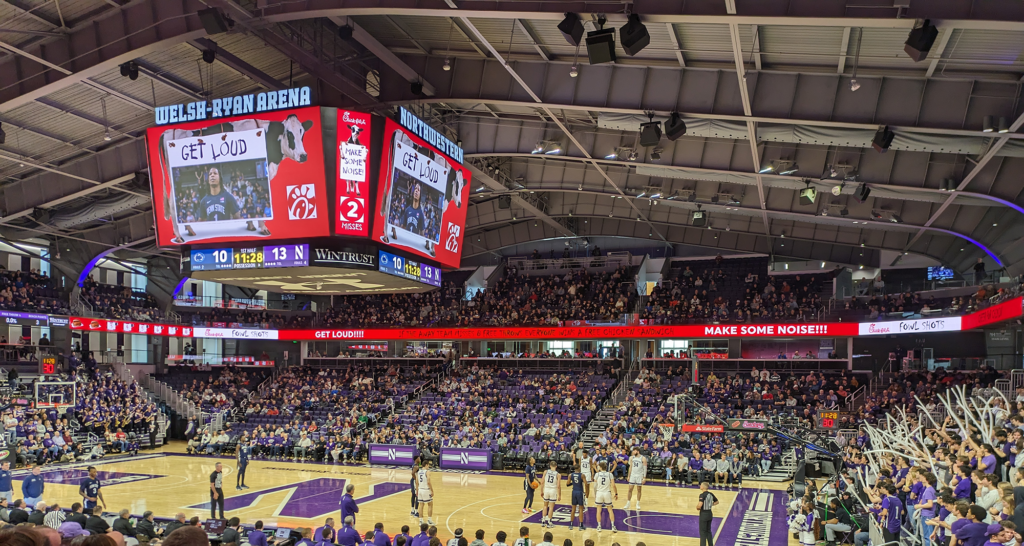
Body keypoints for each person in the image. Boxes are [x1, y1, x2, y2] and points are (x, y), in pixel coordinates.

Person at [593, 461, 618, 533]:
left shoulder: (597, 474)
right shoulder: (610, 474)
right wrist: (616, 493)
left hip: (599, 493)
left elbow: (595, 486)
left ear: (600, 467)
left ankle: (599, 526)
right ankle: (613, 526)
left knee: (598, 510)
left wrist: (595, 494)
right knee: (610, 510)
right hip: (607, 493)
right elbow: (613, 485)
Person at [540, 461, 561, 529]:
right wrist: (559, 495)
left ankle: (543, 521)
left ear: (550, 466)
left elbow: (542, 482)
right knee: (551, 507)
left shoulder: (545, 472)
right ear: (556, 466)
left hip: (546, 489)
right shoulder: (558, 474)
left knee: (545, 506)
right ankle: (549, 522)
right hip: (553, 490)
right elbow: (558, 486)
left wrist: (541, 491)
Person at [697, 482, 718, 546]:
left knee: (703, 532)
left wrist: (697, 507)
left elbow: (699, 505)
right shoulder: (711, 494)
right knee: (708, 531)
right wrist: (710, 505)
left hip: (704, 514)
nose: (700, 486)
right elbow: (717, 502)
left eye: (701, 485)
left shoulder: (702, 495)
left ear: (703, 487)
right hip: (709, 513)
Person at [568, 464, 587, 531]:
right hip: (579, 492)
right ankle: (581, 525)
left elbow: (567, 484)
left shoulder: (570, 475)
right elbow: (586, 483)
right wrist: (586, 492)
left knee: (573, 509)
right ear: (579, 468)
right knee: (581, 509)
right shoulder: (582, 475)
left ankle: (571, 524)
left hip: (574, 492)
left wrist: (573, 483)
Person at [417, 459, 435, 525]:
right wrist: (432, 490)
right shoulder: (427, 472)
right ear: (426, 465)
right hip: (426, 490)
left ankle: (421, 521)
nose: (428, 467)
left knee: (421, 505)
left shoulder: (419, 472)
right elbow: (428, 482)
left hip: (420, 489)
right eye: (428, 465)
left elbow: (416, 482)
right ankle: (429, 520)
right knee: (430, 504)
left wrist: (417, 490)